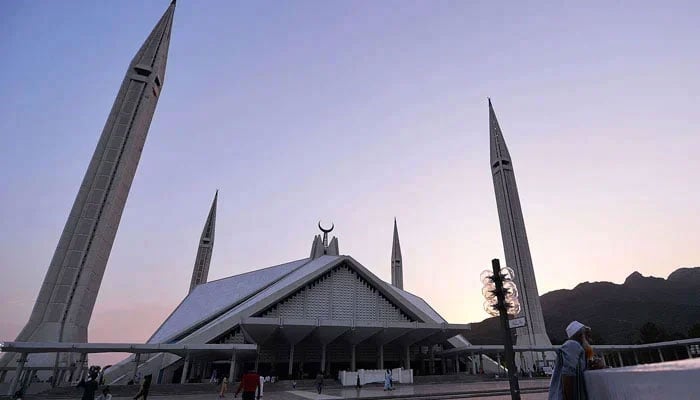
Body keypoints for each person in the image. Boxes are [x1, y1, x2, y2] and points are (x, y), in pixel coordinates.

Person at [548, 321, 605, 400]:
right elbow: (567, 376)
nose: (590, 340)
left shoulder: (579, 350)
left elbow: (582, 367)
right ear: (581, 336)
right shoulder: (572, 345)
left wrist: (598, 364)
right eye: (587, 336)